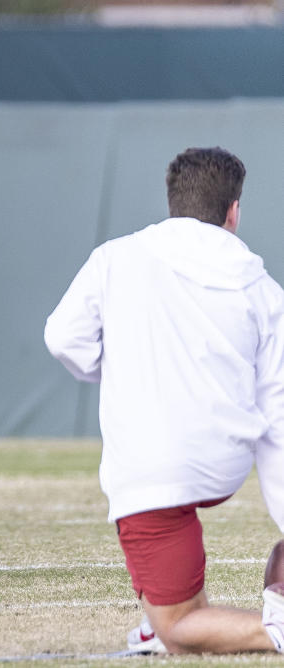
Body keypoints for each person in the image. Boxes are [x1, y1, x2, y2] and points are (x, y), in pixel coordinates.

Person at [45, 146, 284, 655]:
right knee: (171, 611)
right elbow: (278, 410)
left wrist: (113, 371)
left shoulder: (114, 258)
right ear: (233, 211)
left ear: (173, 202)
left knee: (179, 629)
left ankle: (273, 629)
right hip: (224, 463)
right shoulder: (264, 289)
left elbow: (63, 338)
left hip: (154, 470)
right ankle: (173, 616)